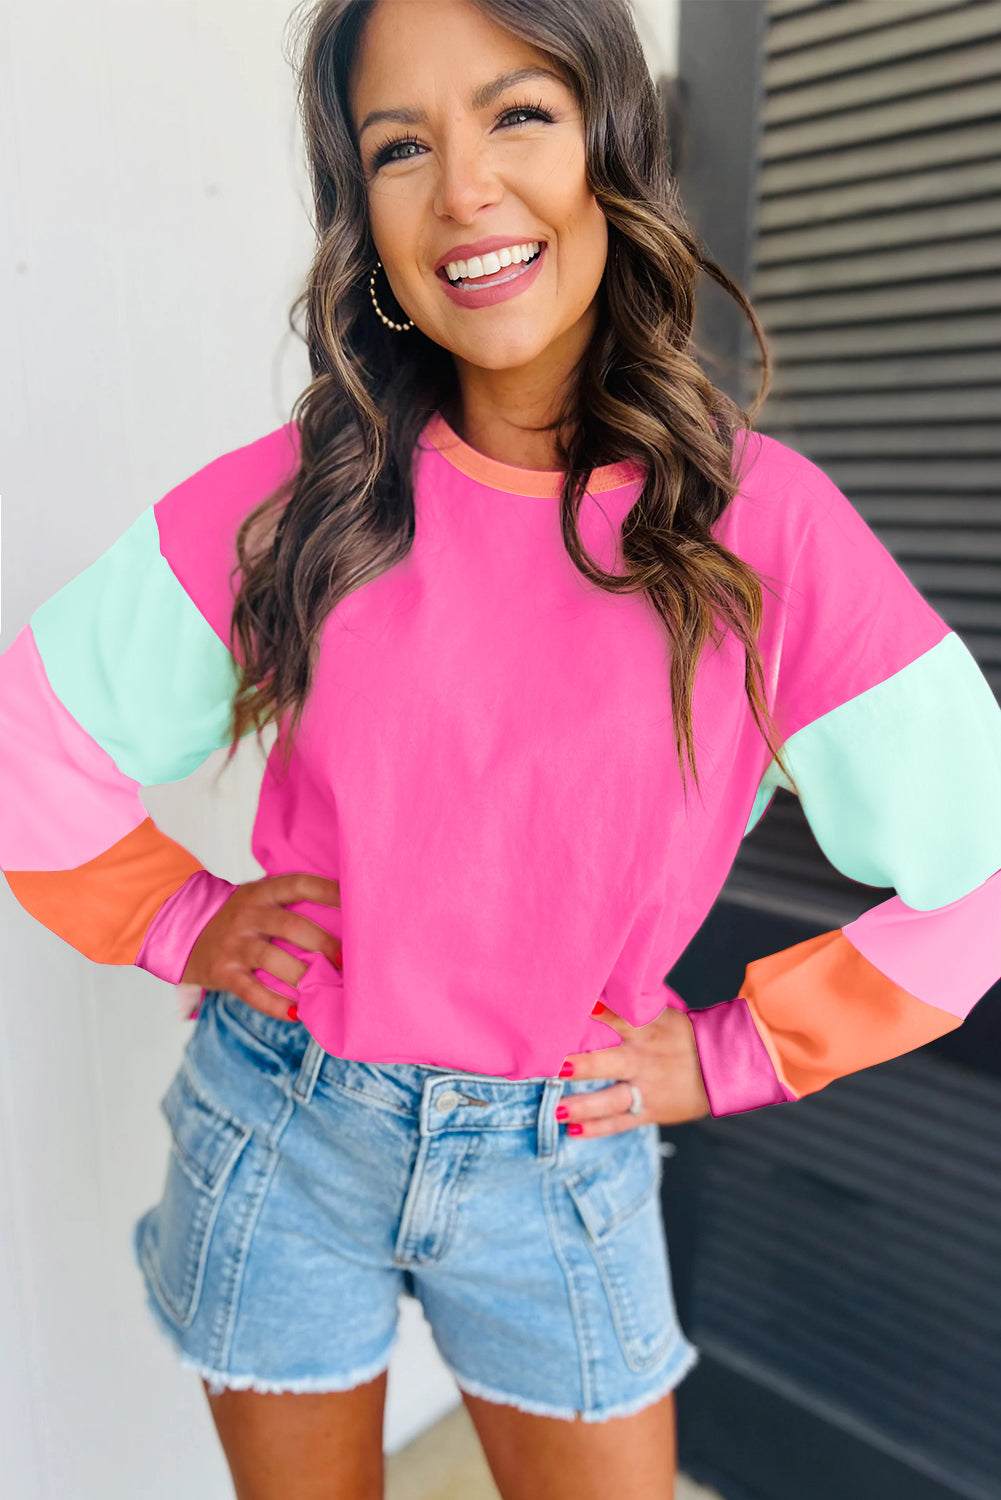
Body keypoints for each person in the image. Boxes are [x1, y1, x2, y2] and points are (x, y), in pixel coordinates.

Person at [2, 0, 1000, 1495]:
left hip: (562, 1155)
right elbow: (32, 736)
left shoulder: (759, 530)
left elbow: (976, 865)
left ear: (611, 141)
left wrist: (733, 1055)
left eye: (516, 114)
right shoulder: (308, 500)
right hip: (284, 1121)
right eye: (399, 146)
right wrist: (175, 917)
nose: (463, 186)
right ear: (365, 215)